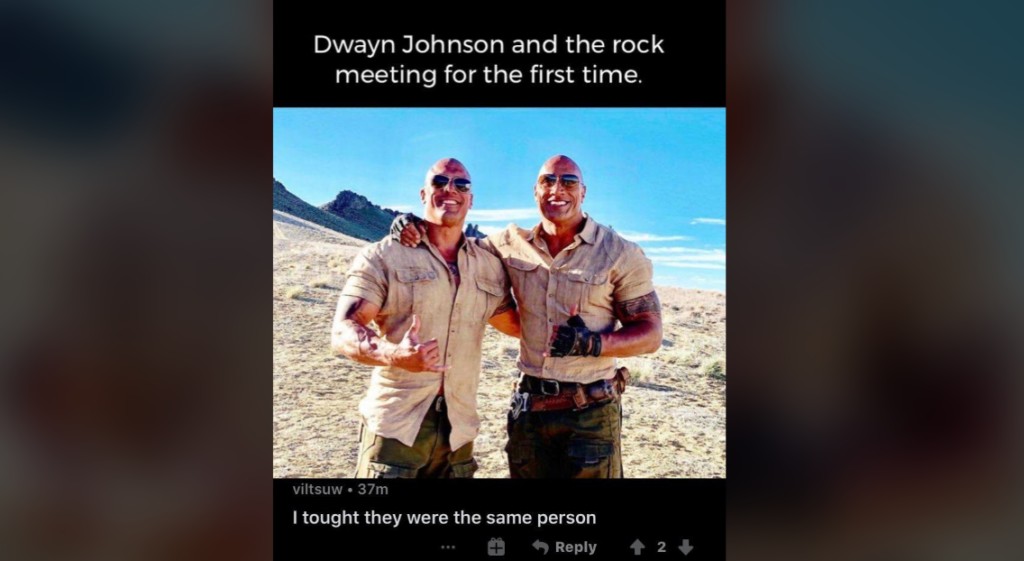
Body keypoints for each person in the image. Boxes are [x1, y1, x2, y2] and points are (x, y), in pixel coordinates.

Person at [393, 155, 662, 478]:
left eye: (568, 181)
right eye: (547, 181)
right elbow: (453, 244)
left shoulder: (619, 253)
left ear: (583, 192)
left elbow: (650, 334)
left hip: (591, 413)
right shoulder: (508, 244)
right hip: (529, 412)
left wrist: (590, 343)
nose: (557, 189)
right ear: (535, 191)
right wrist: (413, 223)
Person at [332, 158, 520, 478]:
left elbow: (514, 324)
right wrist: (394, 354)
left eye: (461, 185)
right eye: (440, 182)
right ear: (423, 194)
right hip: (396, 430)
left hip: (458, 435)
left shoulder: (488, 265)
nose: (451, 190)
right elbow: (344, 329)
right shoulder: (385, 255)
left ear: (471, 199)